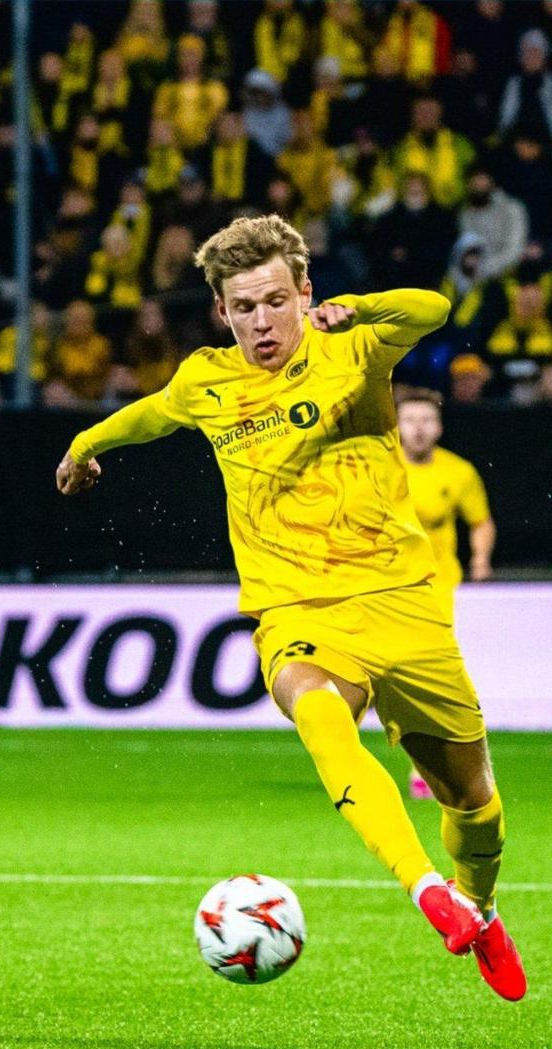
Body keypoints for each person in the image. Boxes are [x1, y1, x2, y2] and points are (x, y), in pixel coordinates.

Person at [56, 213, 526, 1002]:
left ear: (305, 293)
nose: (263, 321)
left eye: (276, 300)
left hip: (402, 602)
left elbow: (434, 309)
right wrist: (85, 445)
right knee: (317, 709)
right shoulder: (208, 380)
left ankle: (478, 905)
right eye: (244, 307)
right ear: (222, 311)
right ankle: (425, 889)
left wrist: (359, 306)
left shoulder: (354, 347)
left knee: (475, 806)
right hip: (296, 608)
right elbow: (150, 412)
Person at [396, 386, 496, 797]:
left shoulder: (458, 472)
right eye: (409, 420)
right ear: (396, 426)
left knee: (426, 680)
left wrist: (480, 560)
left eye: (426, 420)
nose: (418, 428)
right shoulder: (378, 467)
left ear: (439, 426)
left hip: (435, 589)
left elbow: (480, 521)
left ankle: (424, 766)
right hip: (382, 585)